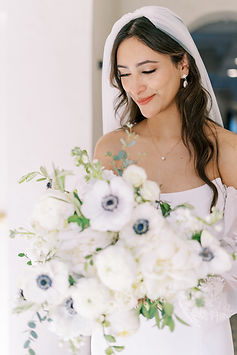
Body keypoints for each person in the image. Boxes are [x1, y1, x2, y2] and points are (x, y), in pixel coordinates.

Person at [91, 6, 237, 355]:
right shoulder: (111, 149)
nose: (135, 86)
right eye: (124, 74)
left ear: (182, 65)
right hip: (128, 332)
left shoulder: (226, 149)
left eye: (148, 70)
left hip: (197, 332)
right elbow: (93, 241)